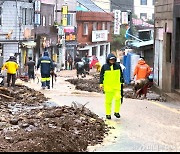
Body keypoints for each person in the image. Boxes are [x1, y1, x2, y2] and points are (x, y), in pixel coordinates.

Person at [99, 53, 124, 120]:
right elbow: (101, 76)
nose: (112, 61)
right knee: (108, 101)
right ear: (108, 60)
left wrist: (122, 82)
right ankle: (108, 114)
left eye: (113, 59)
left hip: (117, 86)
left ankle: (116, 112)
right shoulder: (104, 67)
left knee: (118, 99)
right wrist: (101, 84)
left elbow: (121, 75)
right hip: (108, 87)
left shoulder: (118, 66)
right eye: (111, 60)